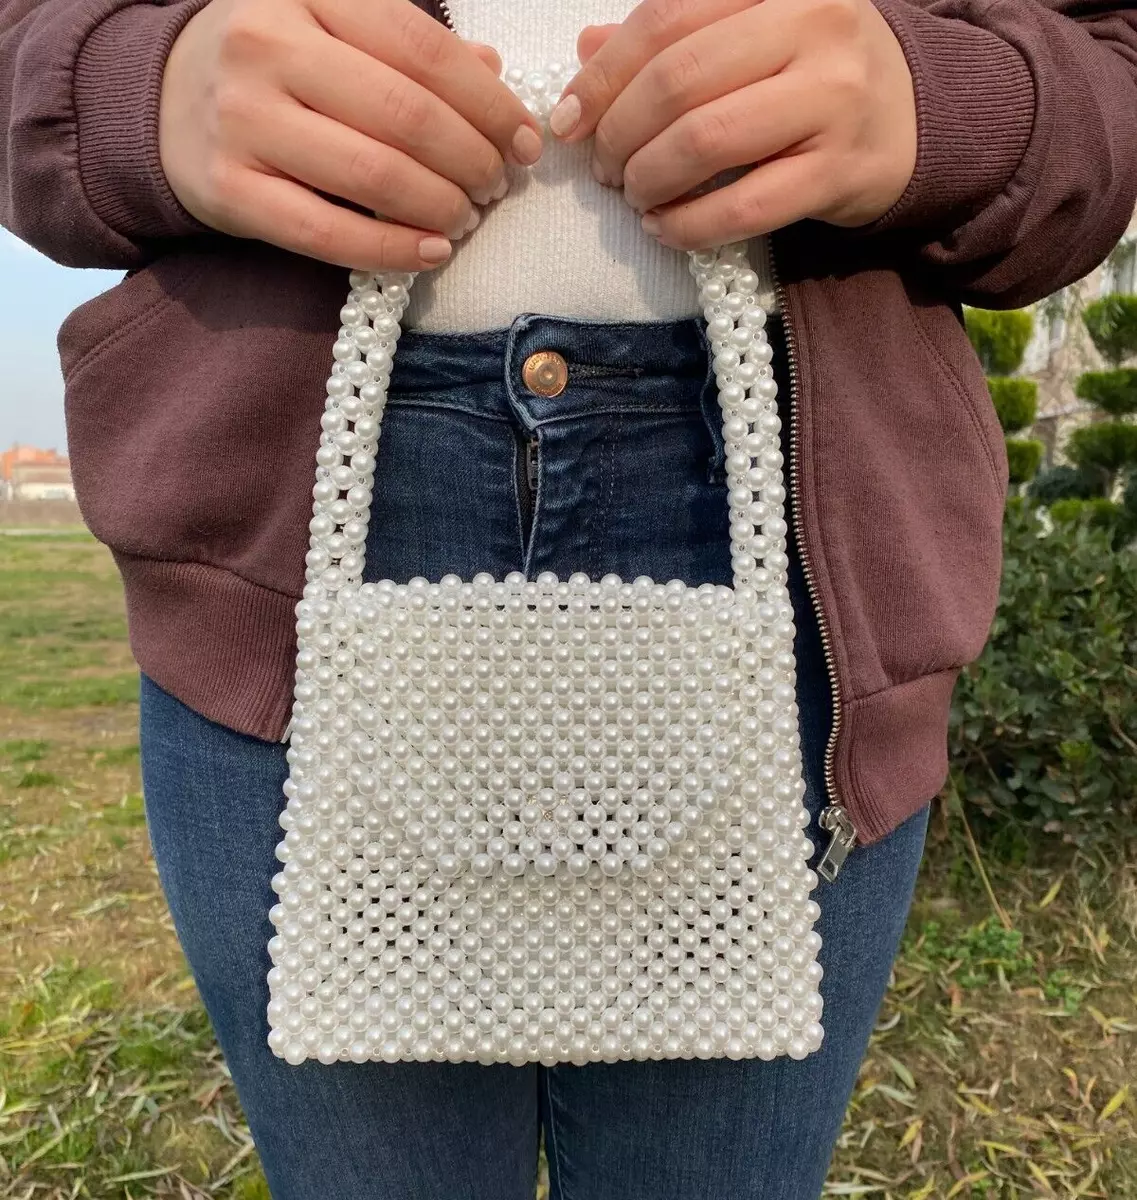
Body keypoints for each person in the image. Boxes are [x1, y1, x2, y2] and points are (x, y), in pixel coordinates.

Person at [2, 0, 1135, 1194]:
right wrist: (146, 86)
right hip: (277, 547)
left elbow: (1105, 80)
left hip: (806, 546)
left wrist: (937, 105)